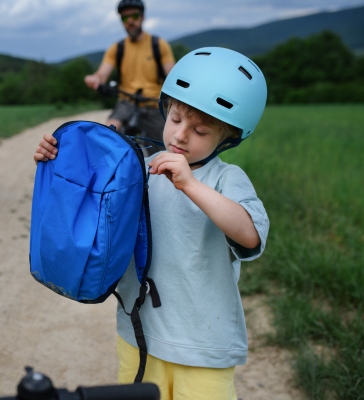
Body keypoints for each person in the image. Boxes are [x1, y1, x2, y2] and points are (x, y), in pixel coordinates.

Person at [34, 47, 269, 400]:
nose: (181, 135)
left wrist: (190, 184)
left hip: (202, 346)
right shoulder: (140, 169)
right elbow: (88, 204)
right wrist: (58, 159)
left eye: (201, 130)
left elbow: (250, 236)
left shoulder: (226, 179)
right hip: (139, 335)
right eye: (175, 119)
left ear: (228, 136)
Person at [84, 0, 175, 156]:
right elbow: (102, 74)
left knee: (162, 150)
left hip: (154, 103)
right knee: (110, 131)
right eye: (125, 18)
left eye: (134, 16)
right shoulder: (117, 48)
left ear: (142, 17)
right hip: (126, 102)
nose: (130, 21)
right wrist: (95, 79)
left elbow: (173, 77)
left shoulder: (158, 45)